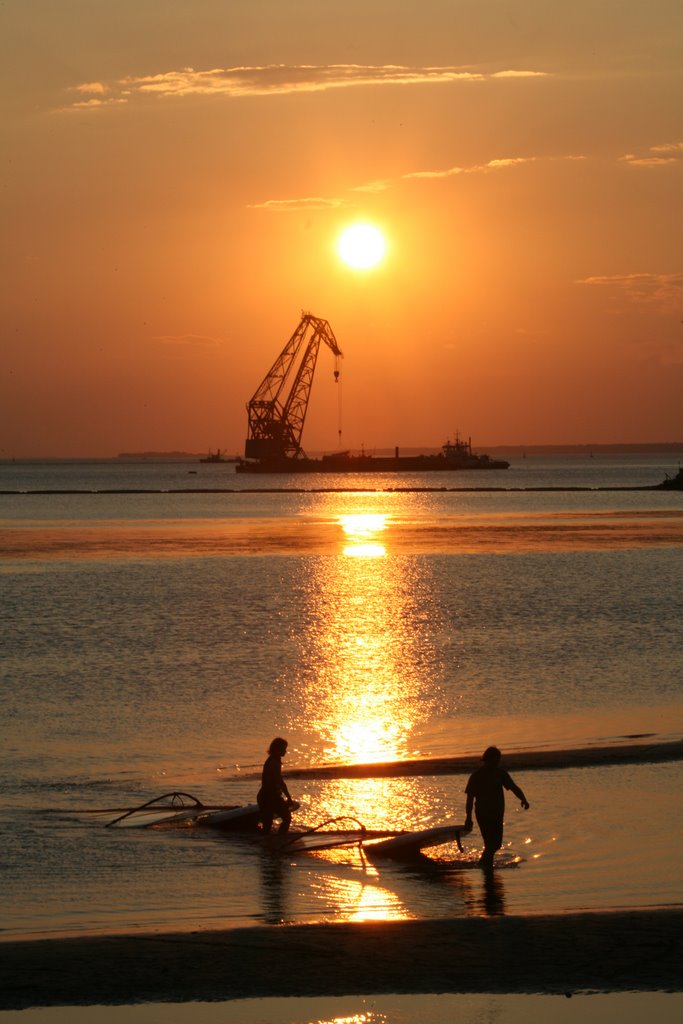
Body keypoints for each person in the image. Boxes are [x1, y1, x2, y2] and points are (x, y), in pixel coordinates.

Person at [464, 745, 529, 870]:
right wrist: (468, 818)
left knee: (495, 845)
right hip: (483, 814)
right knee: (491, 844)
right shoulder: (476, 776)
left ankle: (484, 866)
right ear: (488, 759)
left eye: (498, 760)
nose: (497, 762)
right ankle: (486, 868)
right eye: (495, 759)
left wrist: (523, 799)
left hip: (497, 813)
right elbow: (469, 799)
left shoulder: (500, 774)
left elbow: (514, 787)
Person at [257, 736, 297, 834]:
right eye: (283, 749)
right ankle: (279, 841)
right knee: (280, 820)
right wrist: (288, 796)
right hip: (267, 797)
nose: (285, 751)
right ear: (277, 749)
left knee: (282, 819)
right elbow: (279, 781)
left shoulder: (275, 760)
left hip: (271, 796)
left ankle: (277, 840)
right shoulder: (273, 762)